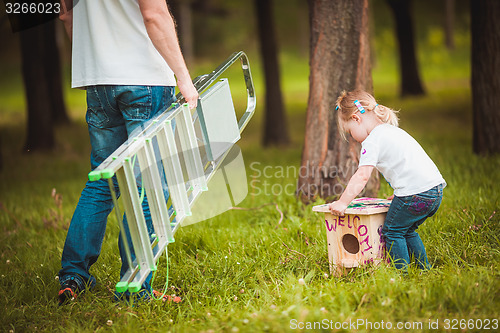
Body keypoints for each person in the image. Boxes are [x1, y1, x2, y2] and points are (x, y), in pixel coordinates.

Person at [57, 0, 199, 304]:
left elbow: (66, 16)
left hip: (98, 82)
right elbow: (154, 14)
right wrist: (184, 78)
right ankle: (136, 289)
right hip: (143, 79)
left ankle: (72, 277)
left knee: (102, 183)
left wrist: (96, 65)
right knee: (146, 187)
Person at [328, 90, 446, 272]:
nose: (353, 137)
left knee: (392, 232)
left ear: (356, 118)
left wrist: (343, 202)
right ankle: (424, 270)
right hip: (433, 191)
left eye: (350, 131)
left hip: (415, 193)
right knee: (406, 230)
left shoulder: (373, 140)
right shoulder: (392, 131)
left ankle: (402, 274)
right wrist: (401, 191)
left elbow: (362, 175)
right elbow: (408, 164)